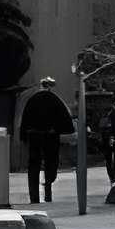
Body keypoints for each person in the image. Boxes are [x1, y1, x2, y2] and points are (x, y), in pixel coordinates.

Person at [22, 76, 74, 207]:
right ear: (50, 86)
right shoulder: (55, 100)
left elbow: (25, 119)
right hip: (50, 136)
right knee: (51, 163)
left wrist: (23, 136)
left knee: (34, 165)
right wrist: (59, 129)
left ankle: (34, 197)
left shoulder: (32, 100)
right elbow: (65, 119)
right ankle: (48, 190)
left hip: (34, 136)